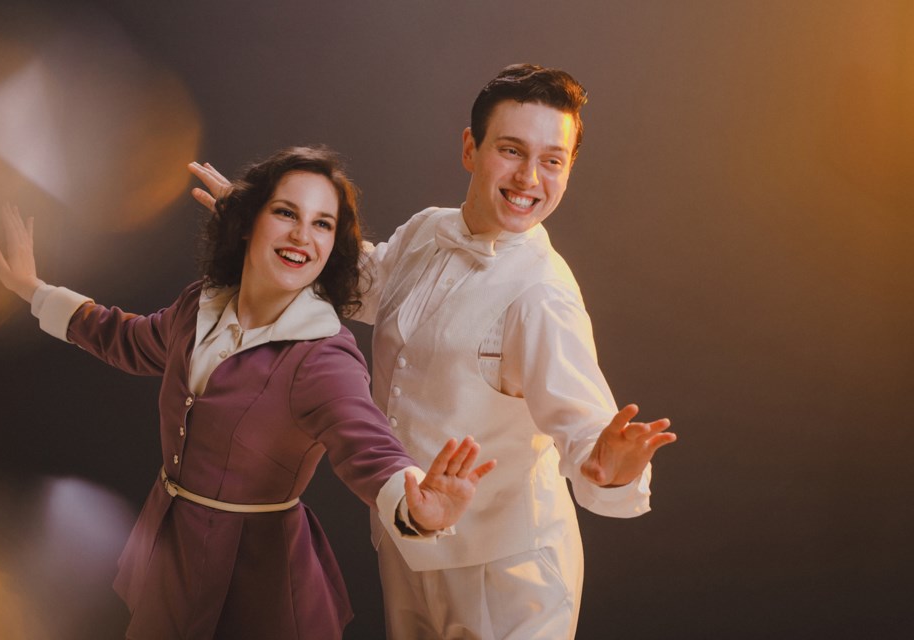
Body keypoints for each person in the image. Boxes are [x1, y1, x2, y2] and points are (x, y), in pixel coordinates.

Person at [190, 64, 677, 639]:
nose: (529, 178)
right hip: (412, 537)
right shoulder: (428, 230)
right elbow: (365, 284)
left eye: (553, 160)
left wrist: (608, 470)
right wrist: (275, 229)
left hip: (508, 571)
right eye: (512, 150)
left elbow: (586, 433)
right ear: (470, 148)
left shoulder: (543, 296)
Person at [0, 146, 495, 640]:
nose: (302, 235)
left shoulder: (323, 358)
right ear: (249, 220)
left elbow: (365, 442)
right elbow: (130, 339)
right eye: (285, 212)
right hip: (171, 553)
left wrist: (416, 506)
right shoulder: (199, 304)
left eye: (322, 223)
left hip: (261, 577)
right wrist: (34, 290)